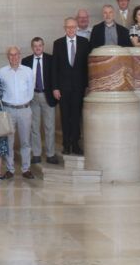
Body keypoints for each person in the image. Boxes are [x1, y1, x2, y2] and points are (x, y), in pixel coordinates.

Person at [0, 46, 35, 179]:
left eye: (16, 55)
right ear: (8, 57)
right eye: (11, 55)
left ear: (20, 56)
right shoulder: (1, 72)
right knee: (8, 141)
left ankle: (26, 169)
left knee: (25, 141)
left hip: (25, 109)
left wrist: (25, 102)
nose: (14, 57)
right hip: (8, 109)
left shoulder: (28, 71)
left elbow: (31, 90)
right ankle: (10, 169)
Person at [53, 18, 90, 156]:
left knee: (76, 116)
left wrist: (87, 85)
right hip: (63, 88)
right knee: (65, 116)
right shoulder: (58, 43)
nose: (71, 29)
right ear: (64, 28)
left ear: (76, 28)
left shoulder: (84, 42)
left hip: (79, 87)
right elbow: (55, 68)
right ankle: (66, 144)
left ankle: (75, 144)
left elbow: (87, 66)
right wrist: (55, 88)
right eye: (68, 27)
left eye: (73, 27)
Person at [22, 38, 58, 165]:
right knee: (34, 127)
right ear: (32, 47)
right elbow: (24, 81)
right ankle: (36, 154)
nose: (38, 48)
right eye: (35, 46)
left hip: (47, 95)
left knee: (49, 126)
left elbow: (55, 76)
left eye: (40, 45)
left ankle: (50, 154)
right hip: (33, 97)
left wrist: (56, 89)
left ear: (43, 46)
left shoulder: (51, 59)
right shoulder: (25, 61)